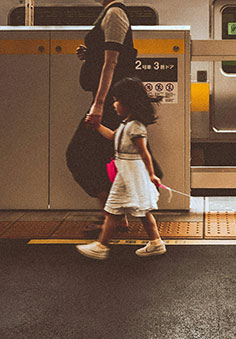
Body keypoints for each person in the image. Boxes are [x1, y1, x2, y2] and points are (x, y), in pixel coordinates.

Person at [67, 0, 137, 237]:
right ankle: (115, 217)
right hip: (108, 100)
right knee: (106, 157)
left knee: (78, 154)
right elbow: (106, 56)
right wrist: (90, 54)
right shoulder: (110, 13)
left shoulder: (115, 13)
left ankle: (114, 216)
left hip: (110, 102)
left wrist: (98, 105)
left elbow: (112, 62)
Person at [77, 77, 166, 260]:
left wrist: (151, 175)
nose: (114, 104)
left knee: (113, 210)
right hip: (126, 173)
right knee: (140, 211)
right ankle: (156, 243)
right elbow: (112, 136)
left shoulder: (135, 127)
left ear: (128, 103)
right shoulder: (126, 124)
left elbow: (144, 153)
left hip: (131, 174)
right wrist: (97, 126)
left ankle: (101, 246)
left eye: (117, 100)